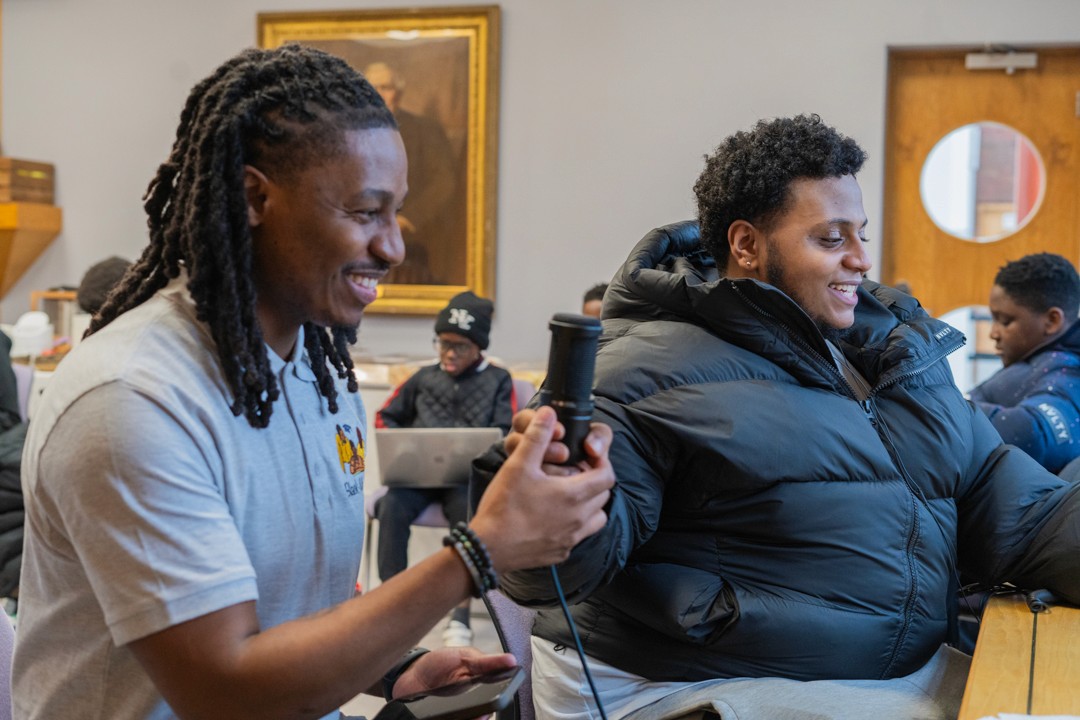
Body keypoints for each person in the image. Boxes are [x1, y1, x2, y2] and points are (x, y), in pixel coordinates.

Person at [13, 44, 615, 720]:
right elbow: (224, 688)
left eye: (397, 214)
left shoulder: (316, 375)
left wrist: (399, 670)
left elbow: (297, 605)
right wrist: (478, 551)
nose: (393, 247)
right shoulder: (131, 400)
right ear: (252, 198)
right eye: (365, 212)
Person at [474, 114, 1080, 720]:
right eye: (832, 239)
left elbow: (1018, 509)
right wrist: (550, 491)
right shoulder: (638, 370)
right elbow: (551, 565)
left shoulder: (888, 354)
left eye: (861, 234)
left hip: (874, 670)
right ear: (747, 246)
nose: (862, 260)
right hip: (683, 684)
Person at [375, 289, 513, 648]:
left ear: (479, 347)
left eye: (460, 346)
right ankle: (393, 606)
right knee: (391, 506)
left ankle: (460, 614)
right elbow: (385, 416)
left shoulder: (498, 380)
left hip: (464, 481)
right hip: (417, 476)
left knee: (469, 521)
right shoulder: (422, 378)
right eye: (443, 343)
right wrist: (402, 443)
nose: (449, 353)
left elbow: (505, 434)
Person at [968, 253, 1080, 474]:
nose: (993, 333)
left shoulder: (1067, 371)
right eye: (993, 319)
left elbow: (1036, 435)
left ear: (1052, 320)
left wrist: (944, 404)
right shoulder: (1034, 364)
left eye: (1006, 321)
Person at [364, 61, 464, 286]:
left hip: (414, 243)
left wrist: (408, 218)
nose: (379, 94)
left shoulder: (425, 130)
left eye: (385, 87)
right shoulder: (349, 133)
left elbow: (444, 182)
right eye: (373, 87)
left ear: (397, 93)